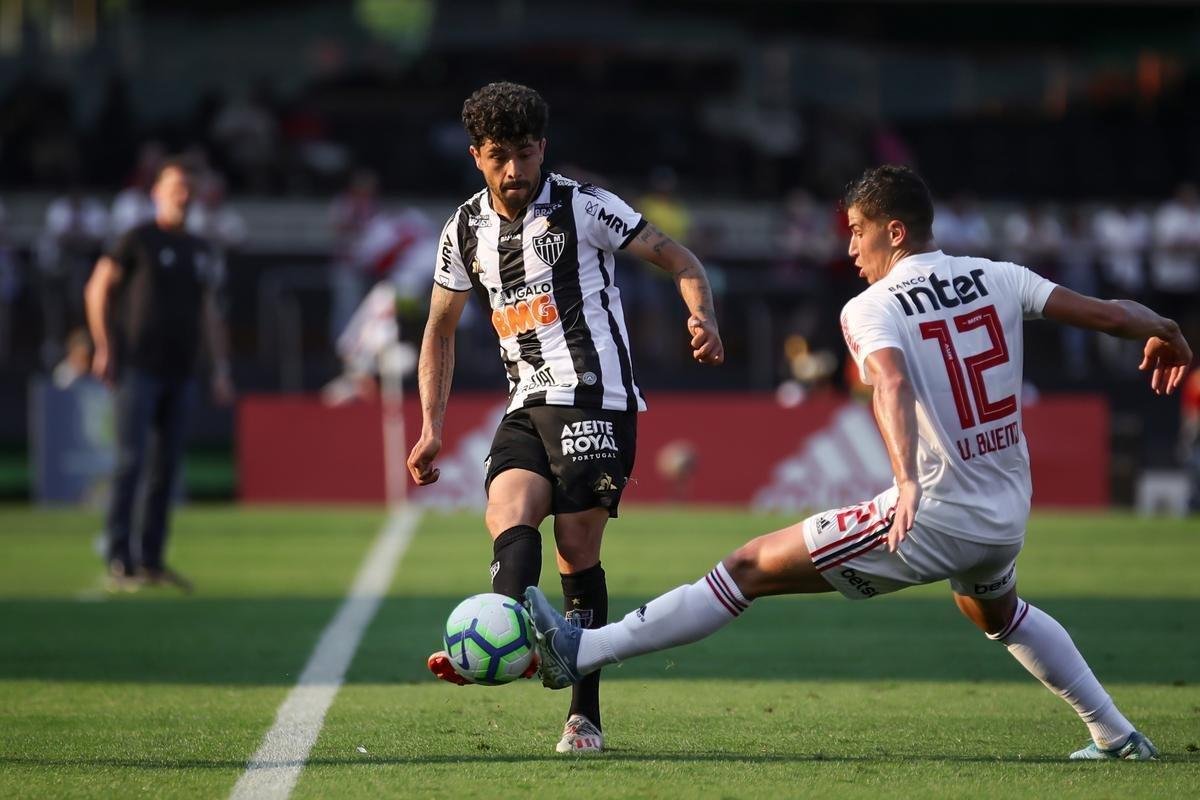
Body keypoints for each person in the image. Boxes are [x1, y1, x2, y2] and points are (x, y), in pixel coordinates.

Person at [527, 165, 1191, 761]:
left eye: (857, 232)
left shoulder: (872, 307)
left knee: (748, 568)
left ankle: (582, 648)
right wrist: (1164, 327)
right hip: (1007, 509)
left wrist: (906, 482)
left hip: (934, 510)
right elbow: (1107, 315)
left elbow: (892, 385)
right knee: (994, 610)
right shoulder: (1000, 275)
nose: (849, 249)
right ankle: (1115, 735)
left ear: (893, 232)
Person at [407, 82, 724, 754]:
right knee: (507, 516)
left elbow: (680, 258)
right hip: (525, 402)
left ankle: (584, 715)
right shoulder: (463, 228)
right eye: (500, 157)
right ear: (476, 157)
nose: (515, 170)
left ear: (542, 148)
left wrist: (702, 315)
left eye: (526, 154)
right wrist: (431, 424)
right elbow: (438, 329)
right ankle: (508, 644)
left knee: (576, 554)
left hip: (595, 400)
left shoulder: (585, 208)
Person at [84, 158, 235, 592]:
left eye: (187, 188)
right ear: (157, 192)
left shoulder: (200, 249)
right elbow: (97, 288)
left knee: (165, 468)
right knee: (131, 462)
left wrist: (220, 368)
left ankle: (151, 559)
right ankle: (119, 557)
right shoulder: (138, 239)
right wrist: (104, 346)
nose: (181, 195)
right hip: (138, 368)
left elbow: (209, 312)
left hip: (182, 371)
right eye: (173, 187)